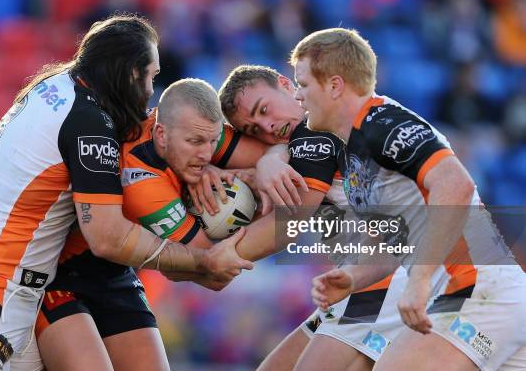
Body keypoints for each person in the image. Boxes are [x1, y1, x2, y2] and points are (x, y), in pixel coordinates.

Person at [0, 14, 251, 371]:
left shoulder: (58, 87)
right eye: (151, 77)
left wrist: (202, 169)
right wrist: (203, 263)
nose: (150, 92)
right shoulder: (88, 121)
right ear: (129, 74)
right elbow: (108, 237)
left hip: (18, 293)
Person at [292, 28, 526, 370]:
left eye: (303, 84)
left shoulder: (382, 124)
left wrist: (418, 280)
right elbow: (391, 248)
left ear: (334, 85)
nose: (299, 96)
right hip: (481, 297)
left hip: (475, 292)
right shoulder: (358, 145)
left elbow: (456, 185)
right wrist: (354, 278)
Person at [30, 77, 274, 371]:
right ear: (161, 134)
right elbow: (213, 272)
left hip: (115, 275)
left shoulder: (196, 127)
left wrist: (249, 173)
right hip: (57, 277)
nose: (207, 153)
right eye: (196, 144)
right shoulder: (142, 182)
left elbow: (282, 159)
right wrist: (258, 209)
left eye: (213, 143)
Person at [217, 64, 408, 371]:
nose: (267, 126)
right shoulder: (323, 123)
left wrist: (211, 259)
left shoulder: (313, 130)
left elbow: (289, 225)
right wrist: (269, 159)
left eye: (264, 109)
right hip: (379, 274)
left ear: (284, 82)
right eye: (254, 128)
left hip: (384, 276)